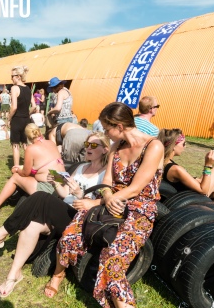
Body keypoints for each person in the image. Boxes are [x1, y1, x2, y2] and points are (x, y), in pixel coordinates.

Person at [45, 102, 164, 308]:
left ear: (119, 126)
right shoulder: (117, 147)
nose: (106, 135)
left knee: (113, 260)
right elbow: (107, 181)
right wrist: (107, 196)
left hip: (139, 210)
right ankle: (58, 274)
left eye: (107, 129)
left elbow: (136, 189)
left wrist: (105, 199)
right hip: (110, 203)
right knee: (69, 236)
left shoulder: (153, 146)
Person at [0, 132, 110, 298]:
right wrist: (55, 182)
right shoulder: (80, 167)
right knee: (32, 224)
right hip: (63, 209)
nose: (88, 147)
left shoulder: (105, 173)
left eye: (93, 145)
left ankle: (1, 234)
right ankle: (13, 275)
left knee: (41, 197)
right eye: (87, 144)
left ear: (105, 150)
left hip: (79, 218)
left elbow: (99, 205)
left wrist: (80, 194)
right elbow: (64, 194)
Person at [0, 123, 65, 214]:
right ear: (39, 131)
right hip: (62, 183)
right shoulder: (51, 143)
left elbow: (25, 173)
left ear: (27, 137)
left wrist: (17, 169)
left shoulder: (31, 148)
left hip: (49, 188)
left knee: (15, 177)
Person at [158, 128, 214, 203]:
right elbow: (203, 191)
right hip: (189, 200)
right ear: (174, 145)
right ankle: (210, 210)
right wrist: (208, 165)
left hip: (183, 194)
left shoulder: (162, 161)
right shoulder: (175, 169)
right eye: (183, 144)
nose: (185, 146)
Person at [9, 65, 37, 167]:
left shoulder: (14, 88)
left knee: (15, 145)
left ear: (18, 76)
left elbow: (14, 107)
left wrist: (9, 118)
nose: (11, 78)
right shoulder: (28, 89)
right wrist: (27, 114)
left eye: (12, 76)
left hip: (17, 119)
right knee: (25, 144)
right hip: (26, 119)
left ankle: (16, 167)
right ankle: (29, 165)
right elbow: (34, 106)